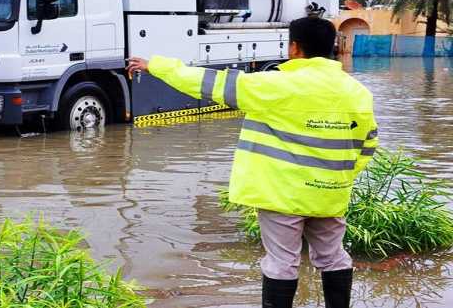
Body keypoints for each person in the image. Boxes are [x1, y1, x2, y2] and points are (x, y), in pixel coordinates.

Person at [127, 16, 378, 308]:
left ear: (294, 47)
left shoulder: (275, 86)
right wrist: (336, 177)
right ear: (331, 46)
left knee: (282, 262)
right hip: (329, 194)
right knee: (333, 257)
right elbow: (368, 143)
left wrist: (154, 65)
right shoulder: (358, 93)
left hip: (281, 195)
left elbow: (208, 82)